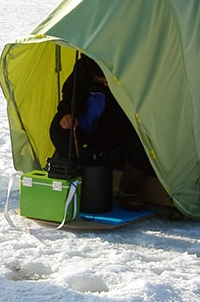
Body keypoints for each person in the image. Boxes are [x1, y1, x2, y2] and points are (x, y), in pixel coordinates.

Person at [49, 54, 154, 209]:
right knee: (60, 127)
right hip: (93, 129)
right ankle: (74, 175)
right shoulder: (85, 67)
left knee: (148, 136)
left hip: (124, 135)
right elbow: (71, 95)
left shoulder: (133, 69)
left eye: (108, 81)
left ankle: (128, 188)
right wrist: (66, 114)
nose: (105, 85)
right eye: (100, 81)